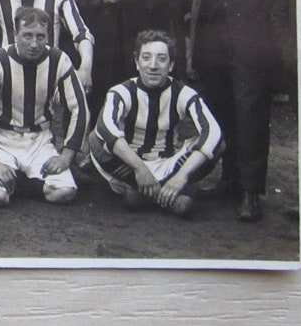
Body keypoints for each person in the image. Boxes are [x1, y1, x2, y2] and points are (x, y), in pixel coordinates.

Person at [186, 0, 292, 222]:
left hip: (251, 37)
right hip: (212, 39)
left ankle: (251, 191)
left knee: (251, 112)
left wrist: (274, 38)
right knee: (221, 111)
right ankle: (228, 181)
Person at [88, 30, 223, 217]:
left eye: (161, 59)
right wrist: (140, 169)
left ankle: (145, 193)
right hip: (129, 164)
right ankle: (165, 195)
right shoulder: (121, 92)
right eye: (146, 58)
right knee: (96, 138)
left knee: (217, 144)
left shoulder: (184, 93)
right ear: (137, 62)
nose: (153, 66)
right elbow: (106, 128)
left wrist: (181, 176)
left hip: (168, 165)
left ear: (171, 65)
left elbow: (213, 132)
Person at [0, 6, 88, 207]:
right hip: (1, 137)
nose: (34, 44)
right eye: (27, 36)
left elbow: (80, 108)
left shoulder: (59, 59)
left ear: (48, 35)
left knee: (65, 193)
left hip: (38, 139)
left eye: (40, 37)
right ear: (15, 34)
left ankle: (20, 183)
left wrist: (66, 157)